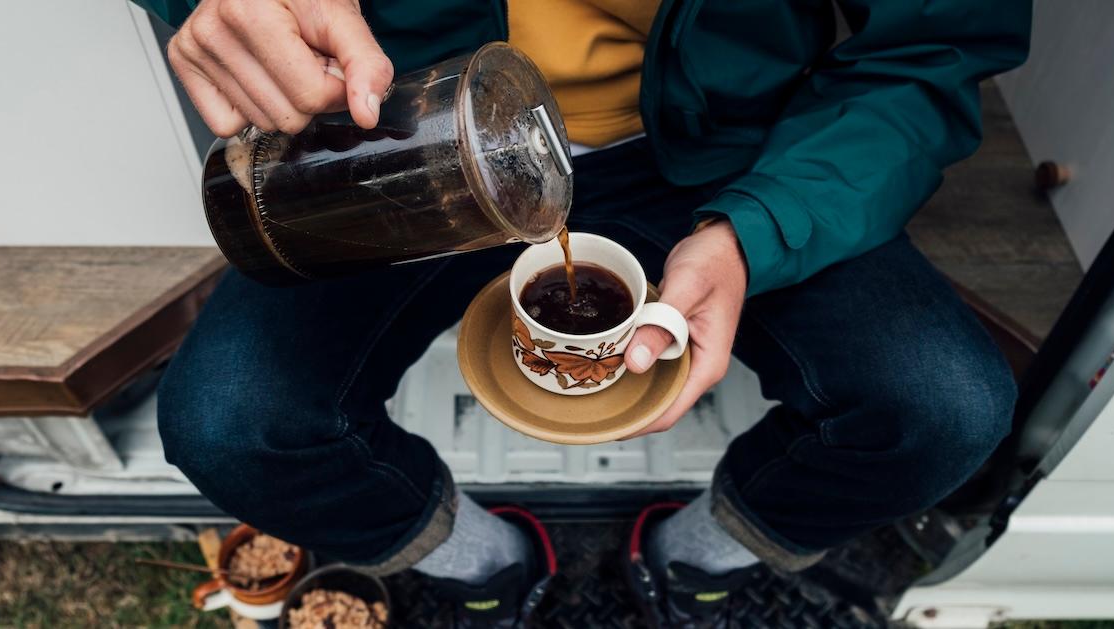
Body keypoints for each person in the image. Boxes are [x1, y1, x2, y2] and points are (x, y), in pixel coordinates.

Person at [142, 0, 1031, 626]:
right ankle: (486, 565)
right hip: (417, 139)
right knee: (230, 420)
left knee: (945, 404)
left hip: (725, 144)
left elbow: (933, 44)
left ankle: (695, 550)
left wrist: (756, 233)